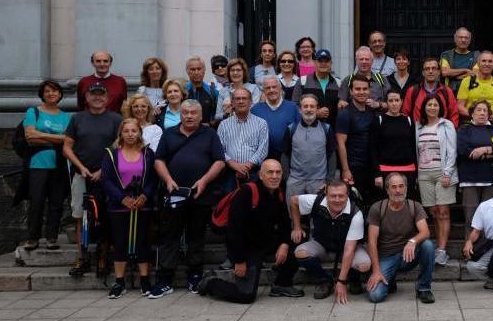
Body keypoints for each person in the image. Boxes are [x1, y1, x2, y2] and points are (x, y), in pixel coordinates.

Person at [198, 159, 302, 303]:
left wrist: (284, 244)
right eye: (270, 172)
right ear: (261, 175)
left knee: (298, 243)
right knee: (246, 295)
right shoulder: (246, 192)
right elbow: (234, 230)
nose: (274, 176)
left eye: (278, 172)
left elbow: (285, 221)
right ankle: (211, 282)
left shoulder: (279, 191)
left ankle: (281, 284)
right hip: (247, 248)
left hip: (266, 241)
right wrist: (239, 260)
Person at [152, 100, 226, 297]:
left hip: (200, 194)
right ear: (180, 115)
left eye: (194, 112)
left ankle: (195, 276)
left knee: (196, 236)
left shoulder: (209, 134)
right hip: (173, 194)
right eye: (185, 112)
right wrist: (167, 180)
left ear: (201, 116)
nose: (189, 116)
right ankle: (165, 278)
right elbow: (158, 159)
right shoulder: (169, 134)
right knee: (169, 236)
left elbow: (220, 161)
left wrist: (204, 180)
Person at [62, 80, 123, 274]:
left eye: (101, 94)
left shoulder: (116, 119)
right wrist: (80, 167)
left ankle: (103, 256)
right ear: (86, 98)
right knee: (81, 216)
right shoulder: (77, 118)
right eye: (93, 94)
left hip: (107, 175)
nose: (97, 98)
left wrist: (104, 170)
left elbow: (119, 147)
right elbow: (67, 147)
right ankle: (81, 256)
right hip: (82, 174)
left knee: (105, 216)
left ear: (107, 98)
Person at [100, 118, 158, 299]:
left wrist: (145, 196)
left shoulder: (148, 153)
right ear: (121, 134)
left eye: (134, 131)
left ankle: (144, 280)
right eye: (127, 131)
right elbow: (107, 180)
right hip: (119, 206)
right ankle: (119, 282)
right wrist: (121, 198)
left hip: (142, 205)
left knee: (142, 241)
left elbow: (153, 179)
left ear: (140, 133)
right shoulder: (111, 153)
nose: (131, 134)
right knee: (120, 242)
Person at [291, 179, 369, 301]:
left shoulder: (355, 213)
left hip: (346, 248)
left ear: (347, 195)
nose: (337, 200)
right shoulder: (315, 200)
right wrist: (296, 227)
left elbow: (349, 250)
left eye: (341, 196)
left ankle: (353, 278)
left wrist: (341, 281)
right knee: (300, 252)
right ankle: (325, 280)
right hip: (322, 245)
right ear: (326, 194)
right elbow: (294, 201)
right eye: (333, 196)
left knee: (364, 265)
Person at [365, 173, 436, 304]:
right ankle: (389, 281)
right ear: (387, 190)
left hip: (407, 255)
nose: (398, 190)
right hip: (386, 257)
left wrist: (412, 241)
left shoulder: (414, 206)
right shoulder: (377, 208)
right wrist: (376, 271)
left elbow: (425, 232)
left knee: (428, 245)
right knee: (375, 296)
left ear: (406, 188)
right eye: (393, 187)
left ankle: (424, 288)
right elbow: (372, 242)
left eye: (401, 186)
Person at [19, 79, 71, 251]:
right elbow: (30, 137)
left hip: (59, 164)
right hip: (38, 163)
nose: (51, 94)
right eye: (47, 91)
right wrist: (57, 138)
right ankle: (33, 238)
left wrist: (42, 135)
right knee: (37, 201)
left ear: (60, 94)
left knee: (56, 202)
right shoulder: (33, 112)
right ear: (42, 94)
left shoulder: (66, 116)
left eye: (55, 91)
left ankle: (51, 237)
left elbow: (68, 139)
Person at [415, 94, 458, 266]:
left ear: (440, 107)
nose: (432, 107)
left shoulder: (446, 125)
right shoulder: (418, 126)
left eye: (435, 105)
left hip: (442, 173)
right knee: (432, 212)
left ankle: (441, 250)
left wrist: (447, 172)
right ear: (424, 107)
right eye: (429, 104)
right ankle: (435, 245)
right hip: (424, 174)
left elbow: (452, 150)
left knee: (443, 212)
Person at [457, 100, 493, 228]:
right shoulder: (465, 129)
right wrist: (490, 154)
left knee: (489, 219)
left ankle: (486, 247)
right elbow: (463, 151)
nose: (482, 113)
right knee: (471, 220)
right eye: (478, 110)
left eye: (485, 110)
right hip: (469, 179)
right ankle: (469, 247)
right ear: (472, 114)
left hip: (490, 179)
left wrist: (485, 150)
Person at [284, 94, 335, 202]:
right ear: (300, 109)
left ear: (317, 109)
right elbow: (285, 155)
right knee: (294, 215)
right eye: (305, 106)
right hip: (295, 180)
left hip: (319, 181)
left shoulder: (327, 128)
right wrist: (287, 177)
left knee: (317, 216)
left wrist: (329, 181)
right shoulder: (291, 128)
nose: (309, 109)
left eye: (312, 106)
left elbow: (331, 155)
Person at [336, 77, 380, 205]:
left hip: (371, 167)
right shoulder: (345, 113)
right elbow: (340, 143)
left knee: (371, 204)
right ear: (351, 91)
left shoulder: (371, 112)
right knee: (354, 204)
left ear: (369, 91)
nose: (361, 92)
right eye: (358, 89)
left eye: (365, 89)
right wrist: (345, 170)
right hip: (353, 167)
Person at [217, 87, 269, 185]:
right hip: (230, 173)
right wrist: (235, 165)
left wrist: (246, 166)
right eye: (237, 98)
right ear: (232, 103)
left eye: (244, 98)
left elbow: (263, 150)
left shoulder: (261, 124)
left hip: (253, 173)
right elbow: (219, 149)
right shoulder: (223, 125)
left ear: (250, 102)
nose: (241, 101)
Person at [370, 90, 417, 195]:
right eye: (391, 101)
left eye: (397, 100)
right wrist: (377, 174)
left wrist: (416, 173)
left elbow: (413, 147)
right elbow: (373, 149)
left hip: (408, 171)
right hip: (385, 171)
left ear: (401, 101)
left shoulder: (408, 120)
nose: (394, 103)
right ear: (386, 103)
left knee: (407, 204)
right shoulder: (379, 120)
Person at [252, 76, 299, 161]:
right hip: (263, 159)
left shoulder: (293, 107)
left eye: (274, 87)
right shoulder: (255, 109)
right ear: (264, 91)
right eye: (268, 88)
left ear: (280, 88)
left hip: (288, 158)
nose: (271, 90)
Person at [404, 57, 460, 127]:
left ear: (439, 72)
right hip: (418, 134)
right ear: (423, 73)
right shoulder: (413, 91)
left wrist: (450, 132)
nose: (430, 71)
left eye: (434, 68)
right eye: (427, 69)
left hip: (441, 134)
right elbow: (405, 115)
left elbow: (454, 114)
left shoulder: (447, 91)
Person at [292, 49, 343, 125]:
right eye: (320, 61)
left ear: (331, 63)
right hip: (309, 129)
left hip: (332, 130)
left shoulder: (338, 83)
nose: (323, 63)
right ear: (315, 62)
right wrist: (314, 113)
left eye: (326, 61)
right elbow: (294, 106)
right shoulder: (303, 81)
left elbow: (342, 107)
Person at [457, 51, 493, 121]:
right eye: (484, 61)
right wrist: (475, 116)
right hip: (471, 123)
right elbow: (460, 106)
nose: (487, 64)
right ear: (478, 64)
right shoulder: (467, 81)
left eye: (490, 61)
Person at [185, 56, 226, 123]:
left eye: (199, 69)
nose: (196, 72)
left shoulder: (213, 92)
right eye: (192, 69)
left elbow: (218, 116)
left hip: (207, 131)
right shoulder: (182, 91)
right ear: (187, 71)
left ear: (204, 70)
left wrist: (210, 124)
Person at [440, 26, 478, 92]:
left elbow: (474, 74)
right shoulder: (446, 55)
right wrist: (465, 70)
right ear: (455, 39)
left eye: (466, 38)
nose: (463, 40)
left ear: (470, 40)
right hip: (450, 92)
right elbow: (445, 72)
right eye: (460, 37)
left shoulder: (476, 55)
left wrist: (453, 75)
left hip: (470, 91)